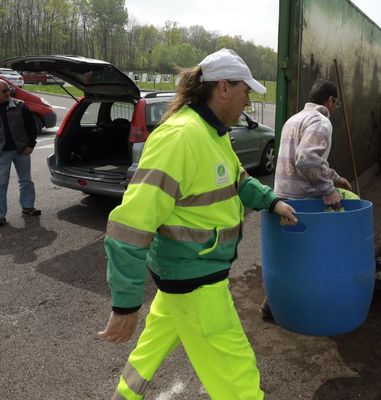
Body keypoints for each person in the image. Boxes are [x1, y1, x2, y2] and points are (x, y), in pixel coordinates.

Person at [98, 49, 297, 400]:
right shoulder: (181, 137)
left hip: (186, 273)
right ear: (223, 87)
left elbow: (237, 180)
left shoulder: (213, 134)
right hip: (195, 282)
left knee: (152, 347)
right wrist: (125, 306)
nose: (249, 101)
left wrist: (272, 200)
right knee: (237, 377)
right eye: (246, 91)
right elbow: (130, 224)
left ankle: (124, 395)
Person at [260, 79, 356, 318]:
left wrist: (334, 177)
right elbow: (306, 159)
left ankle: (271, 305)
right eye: (336, 104)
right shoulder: (321, 121)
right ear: (330, 101)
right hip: (305, 200)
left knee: (289, 255)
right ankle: (313, 306)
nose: (335, 109)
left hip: (283, 198)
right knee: (313, 254)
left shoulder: (294, 119)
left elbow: (309, 158)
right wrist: (327, 189)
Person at [0, 80, 41, 227]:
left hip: (22, 150)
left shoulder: (20, 105)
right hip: (2, 153)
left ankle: (28, 207)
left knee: (26, 180)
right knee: (1, 184)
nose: (8, 93)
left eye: (8, 90)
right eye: (4, 91)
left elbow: (32, 127)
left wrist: (30, 145)